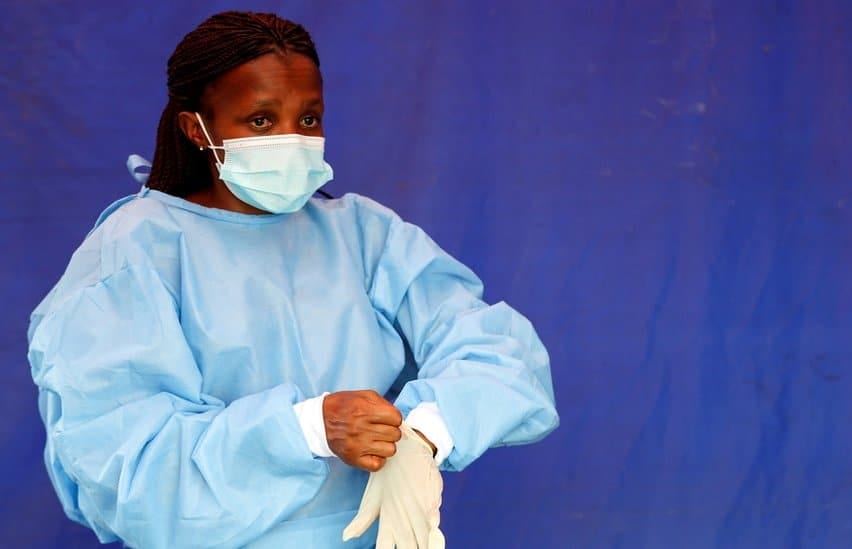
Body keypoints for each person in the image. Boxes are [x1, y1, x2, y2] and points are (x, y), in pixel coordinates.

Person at [27, 11, 558, 548]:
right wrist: (307, 428)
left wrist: (424, 432)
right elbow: (125, 465)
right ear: (196, 129)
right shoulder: (136, 250)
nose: (291, 139)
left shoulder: (363, 235)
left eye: (308, 119)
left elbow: (501, 356)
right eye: (261, 121)